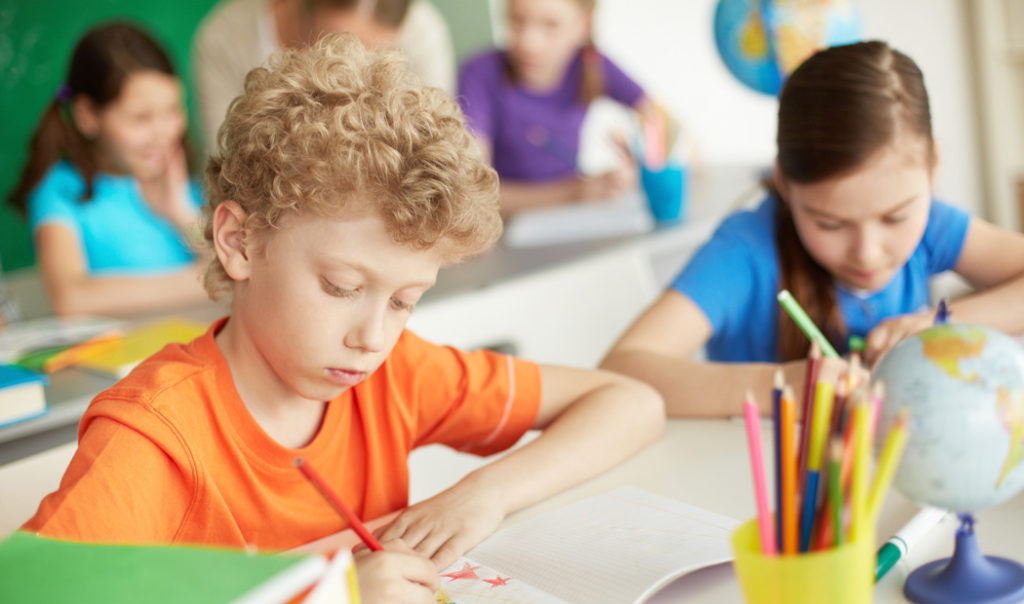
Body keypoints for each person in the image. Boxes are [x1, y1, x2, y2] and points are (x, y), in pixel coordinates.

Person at [23, 34, 665, 604]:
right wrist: (324, 591)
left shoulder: (393, 374)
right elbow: (34, 594)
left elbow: (630, 402)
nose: (373, 338)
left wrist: (485, 494)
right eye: (342, 287)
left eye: (404, 300)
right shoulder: (157, 436)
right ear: (240, 243)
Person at [600, 41, 1024, 418]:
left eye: (894, 218)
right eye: (830, 223)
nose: (867, 252)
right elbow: (624, 367)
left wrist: (941, 322)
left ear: (933, 166)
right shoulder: (746, 249)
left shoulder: (934, 223)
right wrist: (778, 386)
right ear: (784, 183)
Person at [7, 22, 208, 318]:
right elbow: (71, 298)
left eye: (172, 110)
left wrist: (179, 211)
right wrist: (201, 281)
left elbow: (228, 264)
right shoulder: (61, 190)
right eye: (141, 118)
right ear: (87, 115)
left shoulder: (178, 183)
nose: (163, 132)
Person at [457, 0, 655, 214]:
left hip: (568, 222)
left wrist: (642, 161)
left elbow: (661, 122)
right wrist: (575, 193)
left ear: (584, 25)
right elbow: (473, 194)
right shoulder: (479, 74)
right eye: (517, 20)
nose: (529, 43)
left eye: (551, 25)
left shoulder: (592, 64)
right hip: (504, 230)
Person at [193, 0, 455, 156]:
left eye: (376, 53)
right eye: (335, 44)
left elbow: (434, 146)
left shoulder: (421, 34)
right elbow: (226, 157)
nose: (352, 65)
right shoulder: (224, 39)